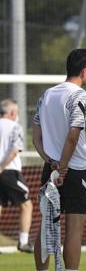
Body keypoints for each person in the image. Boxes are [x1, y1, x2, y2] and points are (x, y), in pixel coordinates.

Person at [32, 48, 86, 271]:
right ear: (84, 70)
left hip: (50, 168)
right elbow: (72, 136)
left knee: (44, 226)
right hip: (74, 168)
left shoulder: (46, 95)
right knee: (74, 229)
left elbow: (36, 137)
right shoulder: (79, 95)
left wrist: (51, 163)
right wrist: (64, 166)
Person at [0, 99, 33, 253]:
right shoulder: (15, 127)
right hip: (9, 171)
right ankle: (23, 242)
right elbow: (14, 150)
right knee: (26, 205)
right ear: (12, 113)